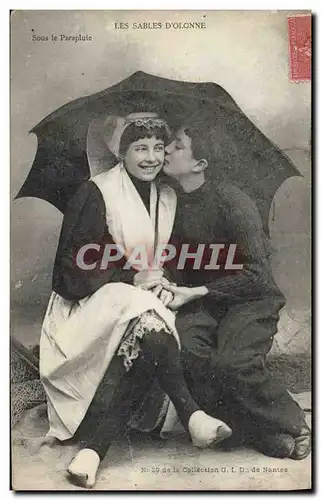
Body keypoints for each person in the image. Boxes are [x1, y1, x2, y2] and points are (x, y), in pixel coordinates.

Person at [39, 112, 231, 488]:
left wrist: (164, 282)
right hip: (89, 305)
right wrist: (132, 277)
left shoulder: (167, 195)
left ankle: (93, 451)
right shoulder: (96, 191)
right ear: (121, 153)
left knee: (146, 328)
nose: (152, 157)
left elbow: (172, 259)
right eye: (140, 148)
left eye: (159, 148)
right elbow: (73, 268)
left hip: (142, 306)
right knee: (143, 314)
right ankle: (191, 413)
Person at [158, 114, 311, 460]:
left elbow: (256, 274)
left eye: (177, 146)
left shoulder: (232, 202)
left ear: (200, 164)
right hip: (202, 303)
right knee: (185, 352)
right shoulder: (170, 201)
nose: (166, 149)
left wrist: (199, 292)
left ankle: (293, 422)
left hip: (249, 300)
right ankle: (253, 431)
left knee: (232, 361)